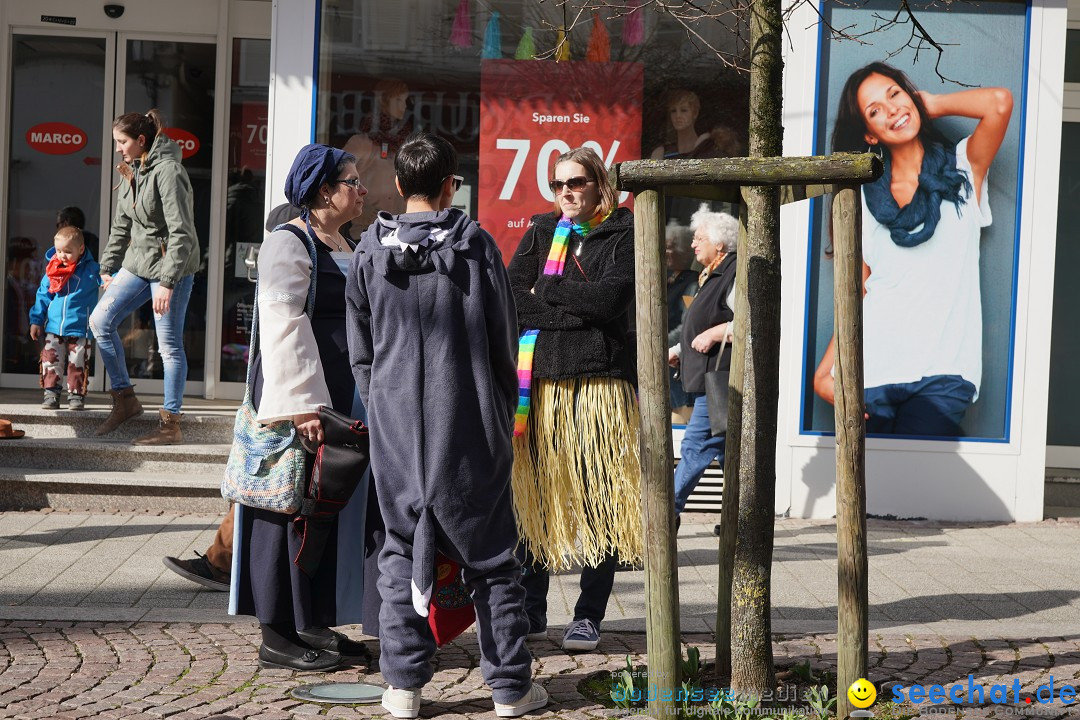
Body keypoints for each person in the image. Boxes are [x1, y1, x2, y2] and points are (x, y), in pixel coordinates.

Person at [346, 132, 547, 719]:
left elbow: (362, 354)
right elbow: (503, 341)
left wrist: (382, 405)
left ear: (401, 187)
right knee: (491, 559)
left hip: (396, 429)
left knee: (400, 551)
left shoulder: (367, 253)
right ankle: (509, 688)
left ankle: (403, 688)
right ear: (449, 185)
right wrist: (500, 412)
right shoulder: (476, 246)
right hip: (470, 422)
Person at [231, 143, 378, 672]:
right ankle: (276, 633)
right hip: (300, 400)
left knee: (320, 510)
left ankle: (311, 621)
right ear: (323, 191)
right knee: (284, 507)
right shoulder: (287, 242)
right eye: (352, 181)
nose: (361, 189)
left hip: (339, 398)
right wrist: (302, 405)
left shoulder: (344, 240)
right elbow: (281, 322)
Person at [813, 62, 1013, 436]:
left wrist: (928, 104)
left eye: (895, 95)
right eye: (875, 111)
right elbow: (856, 292)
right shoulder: (860, 198)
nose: (891, 111)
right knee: (874, 492)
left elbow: (999, 103)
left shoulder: (963, 168)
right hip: (871, 372)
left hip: (944, 374)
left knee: (923, 484)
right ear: (869, 135)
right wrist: (826, 373)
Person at [508, 146, 642, 653]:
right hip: (541, 387)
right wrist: (569, 309)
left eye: (577, 182)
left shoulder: (624, 232)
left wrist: (549, 291)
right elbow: (511, 294)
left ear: (599, 184)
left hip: (599, 387)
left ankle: (588, 616)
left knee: (601, 502)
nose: (567, 192)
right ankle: (532, 610)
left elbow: (611, 301)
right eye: (559, 184)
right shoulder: (543, 231)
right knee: (536, 499)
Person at [90, 109, 200, 444]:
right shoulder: (133, 169)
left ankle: (171, 424)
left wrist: (167, 282)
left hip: (171, 267)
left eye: (122, 142)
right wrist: (107, 267)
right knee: (100, 321)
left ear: (141, 140)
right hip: (138, 263)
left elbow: (182, 232)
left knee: (168, 345)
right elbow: (123, 224)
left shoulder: (169, 171)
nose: (119, 148)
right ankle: (126, 400)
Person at [668, 206, 738, 523]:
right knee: (728, 454)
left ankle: (666, 516)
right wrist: (681, 350)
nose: (693, 245)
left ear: (720, 244)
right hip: (706, 378)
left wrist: (714, 333)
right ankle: (740, 521)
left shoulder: (734, 273)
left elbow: (748, 323)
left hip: (720, 380)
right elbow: (702, 323)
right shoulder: (711, 275)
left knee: (695, 445)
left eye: (700, 238)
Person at [28, 226, 101, 411]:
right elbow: (43, 295)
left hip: (80, 327)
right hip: (54, 326)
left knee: (78, 360)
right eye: (59, 251)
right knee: (51, 358)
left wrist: (114, 278)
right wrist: (36, 320)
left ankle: (76, 395)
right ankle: (51, 393)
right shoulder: (53, 269)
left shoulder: (91, 270)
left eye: (68, 251)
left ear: (81, 249)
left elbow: (108, 278)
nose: (62, 255)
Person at [665, 221, 698, 423]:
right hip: (666, 364)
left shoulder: (692, 283)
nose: (667, 252)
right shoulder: (669, 280)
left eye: (671, 246)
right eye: (665, 246)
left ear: (685, 251)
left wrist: (660, 346)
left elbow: (687, 325)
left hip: (677, 363)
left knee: (680, 421)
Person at [650, 89, 716, 160]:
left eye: (684, 110)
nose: (678, 115)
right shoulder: (662, 153)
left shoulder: (706, 147)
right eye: (673, 111)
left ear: (695, 113)